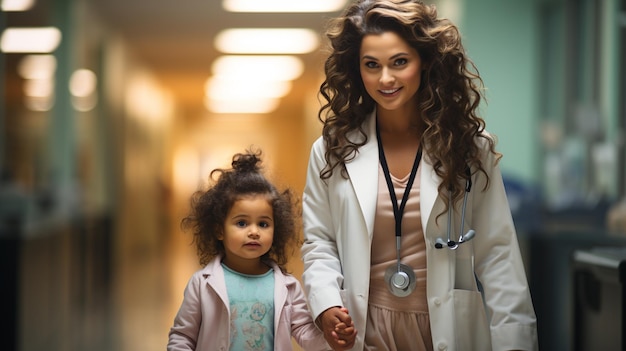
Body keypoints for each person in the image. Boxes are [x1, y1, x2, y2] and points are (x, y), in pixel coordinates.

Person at [300, 1, 538, 350]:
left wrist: (515, 342)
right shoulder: (332, 150)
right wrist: (325, 303)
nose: (385, 78)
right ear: (356, 70)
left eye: (400, 62)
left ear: (424, 61)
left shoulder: (470, 149)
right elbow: (319, 242)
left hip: (444, 329)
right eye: (371, 65)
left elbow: (498, 255)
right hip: (364, 329)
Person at [167, 149, 331, 351]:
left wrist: (331, 340)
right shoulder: (201, 284)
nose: (254, 232)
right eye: (242, 223)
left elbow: (305, 331)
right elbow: (182, 336)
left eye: (263, 224)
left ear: (276, 229)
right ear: (219, 230)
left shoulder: (288, 286)